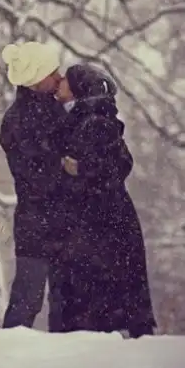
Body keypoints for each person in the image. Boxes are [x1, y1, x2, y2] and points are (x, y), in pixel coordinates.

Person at [50, 63, 157, 337]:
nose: (60, 82)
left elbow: (119, 165)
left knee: (102, 289)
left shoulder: (95, 122)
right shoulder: (82, 118)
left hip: (104, 220)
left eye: (66, 79)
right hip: (97, 219)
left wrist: (79, 169)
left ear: (78, 88)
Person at [0, 41, 71, 331]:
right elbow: (37, 176)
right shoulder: (20, 121)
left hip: (48, 222)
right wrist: (66, 167)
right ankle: (8, 352)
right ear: (37, 79)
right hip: (39, 223)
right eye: (53, 72)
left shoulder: (55, 112)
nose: (59, 77)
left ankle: (64, 355)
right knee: (29, 299)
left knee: (64, 301)